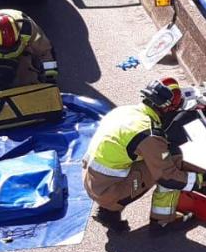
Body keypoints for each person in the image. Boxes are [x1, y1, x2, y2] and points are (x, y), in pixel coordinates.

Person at [81, 77, 198, 233]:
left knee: (154, 157)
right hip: (107, 190)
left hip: (91, 180)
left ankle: (109, 212)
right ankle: (163, 222)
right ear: (166, 108)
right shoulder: (148, 134)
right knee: (171, 160)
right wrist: (202, 180)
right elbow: (168, 176)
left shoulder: (125, 111)